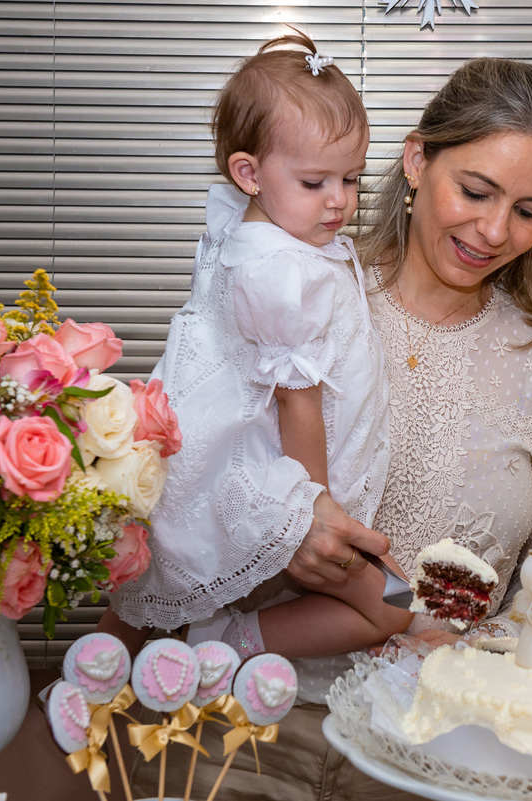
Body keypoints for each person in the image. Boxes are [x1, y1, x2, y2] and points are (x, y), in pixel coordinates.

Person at [127, 56, 532, 801]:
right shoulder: (304, 294)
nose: (494, 229)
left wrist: (472, 649)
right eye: (475, 190)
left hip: (440, 740)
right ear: (416, 161)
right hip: (245, 720)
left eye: (529, 208)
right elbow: (191, 465)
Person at [100, 31, 411, 662]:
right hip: (273, 480)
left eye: (351, 178)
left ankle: (110, 673)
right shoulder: (280, 274)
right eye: (315, 181)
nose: (340, 201)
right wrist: (311, 512)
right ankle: (223, 647)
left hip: (222, 466)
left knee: (150, 587)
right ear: (248, 173)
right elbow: (299, 404)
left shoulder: (256, 227)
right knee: (392, 610)